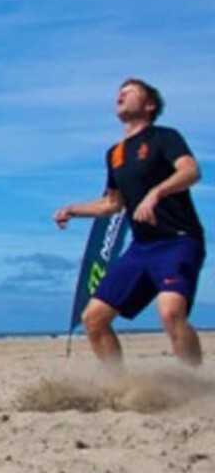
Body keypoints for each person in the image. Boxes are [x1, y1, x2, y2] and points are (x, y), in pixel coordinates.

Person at [54, 78, 206, 367]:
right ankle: (119, 386)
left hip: (178, 239)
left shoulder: (164, 137)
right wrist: (73, 210)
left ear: (149, 105)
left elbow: (191, 172)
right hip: (142, 248)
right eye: (118, 92)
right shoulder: (115, 153)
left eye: (130, 91)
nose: (120, 95)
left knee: (170, 310)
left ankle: (194, 382)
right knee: (93, 318)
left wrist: (156, 192)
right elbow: (113, 204)